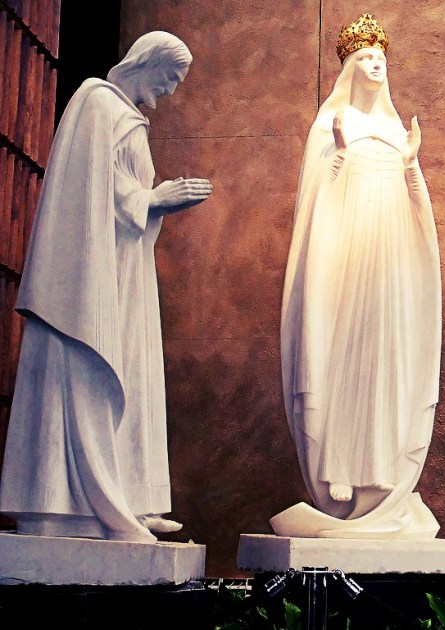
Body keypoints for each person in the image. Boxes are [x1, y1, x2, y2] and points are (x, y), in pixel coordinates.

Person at [0, 32, 212, 543]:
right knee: (89, 375)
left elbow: (117, 193)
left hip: (123, 271)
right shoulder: (98, 103)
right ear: (146, 62)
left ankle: (129, 499)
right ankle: (69, 505)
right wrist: (153, 199)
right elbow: (90, 189)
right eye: (170, 78)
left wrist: (152, 203)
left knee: (131, 376)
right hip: (88, 280)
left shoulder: (122, 116)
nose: (170, 91)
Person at [273, 14, 441, 538]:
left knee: (384, 354)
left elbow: (416, 202)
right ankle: (339, 467)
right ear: (349, 67)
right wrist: (341, 154)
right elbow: (317, 199)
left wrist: (410, 163)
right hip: (348, 252)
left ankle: (380, 465)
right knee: (345, 349)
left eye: (381, 59)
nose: (375, 65)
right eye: (366, 58)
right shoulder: (332, 123)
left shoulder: (396, 130)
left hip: (390, 252)